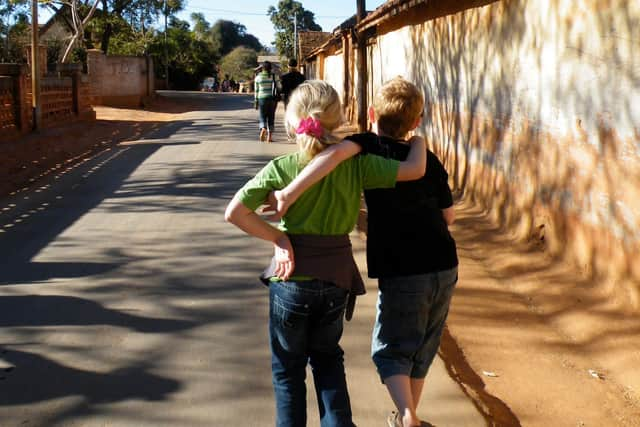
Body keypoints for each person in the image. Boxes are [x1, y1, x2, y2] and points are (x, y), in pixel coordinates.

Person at [224, 80, 427, 427]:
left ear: (291, 121)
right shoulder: (357, 165)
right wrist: (419, 139)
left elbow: (235, 213)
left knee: (287, 372)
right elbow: (412, 170)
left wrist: (279, 239)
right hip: (336, 282)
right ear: (338, 118)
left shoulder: (281, 168)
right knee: (328, 362)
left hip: (290, 282)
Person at [269, 77, 458, 427]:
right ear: (416, 121)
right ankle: (407, 417)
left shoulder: (366, 148)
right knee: (423, 345)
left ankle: (407, 416)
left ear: (371, 113)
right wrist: (420, 142)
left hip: (403, 267)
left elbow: (333, 155)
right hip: (445, 264)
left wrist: (290, 193)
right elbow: (449, 215)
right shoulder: (425, 157)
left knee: (391, 348)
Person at [254, 61, 279, 142]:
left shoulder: (258, 77)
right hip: (272, 99)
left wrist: (256, 101)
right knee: (271, 117)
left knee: (262, 116)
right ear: (270, 68)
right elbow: (279, 86)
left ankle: (263, 128)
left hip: (262, 98)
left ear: (262, 68)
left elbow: (256, 90)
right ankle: (269, 137)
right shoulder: (274, 76)